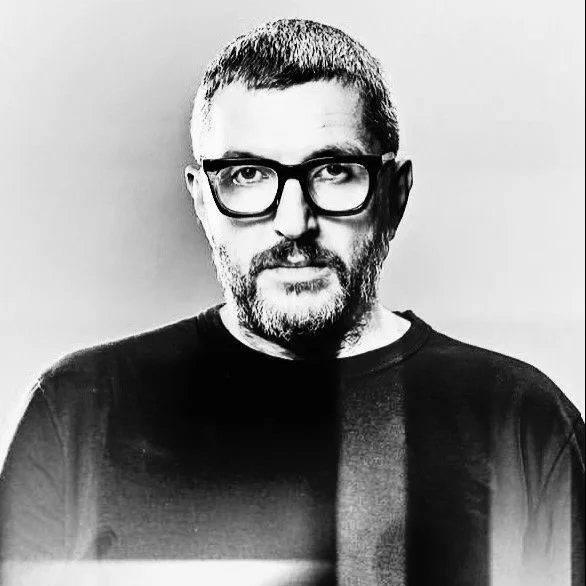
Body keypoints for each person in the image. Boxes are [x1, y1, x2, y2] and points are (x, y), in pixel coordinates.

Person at [0, 18, 583, 586]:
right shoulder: (78, 410)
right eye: (247, 174)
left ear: (394, 195)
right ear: (202, 201)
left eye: (333, 171)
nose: (293, 221)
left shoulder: (523, 421)